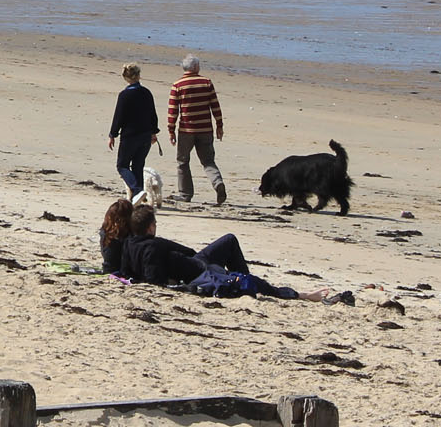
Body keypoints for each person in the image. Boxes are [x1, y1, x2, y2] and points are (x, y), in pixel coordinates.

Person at [100, 201, 314, 300]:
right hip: (197, 269)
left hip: (190, 267)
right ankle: (295, 294)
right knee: (232, 249)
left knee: (232, 260)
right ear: (150, 227)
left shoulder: (123, 243)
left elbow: (128, 273)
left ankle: (254, 285)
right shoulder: (154, 245)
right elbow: (158, 276)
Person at [167, 54, 227, 205]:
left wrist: (171, 129)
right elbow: (215, 106)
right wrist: (219, 125)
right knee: (208, 161)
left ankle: (185, 193)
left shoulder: (177, 85)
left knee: (182, 161)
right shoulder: (206, 82)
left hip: (186, 131)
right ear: (196, 68)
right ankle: (217, 182)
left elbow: (173, 110)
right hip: (205, 129)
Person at [106, 62, 159, 196]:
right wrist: (153, 132)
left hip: (130, 136)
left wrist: (112, 134)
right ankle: (138, 196)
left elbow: (119, 117)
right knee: (138, 165)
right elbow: (153, 114)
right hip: (145, 134)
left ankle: (137, 190)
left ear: (126, 77)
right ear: (138, 76)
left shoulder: (124, 95)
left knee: (122, 166)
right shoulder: (146, 93)